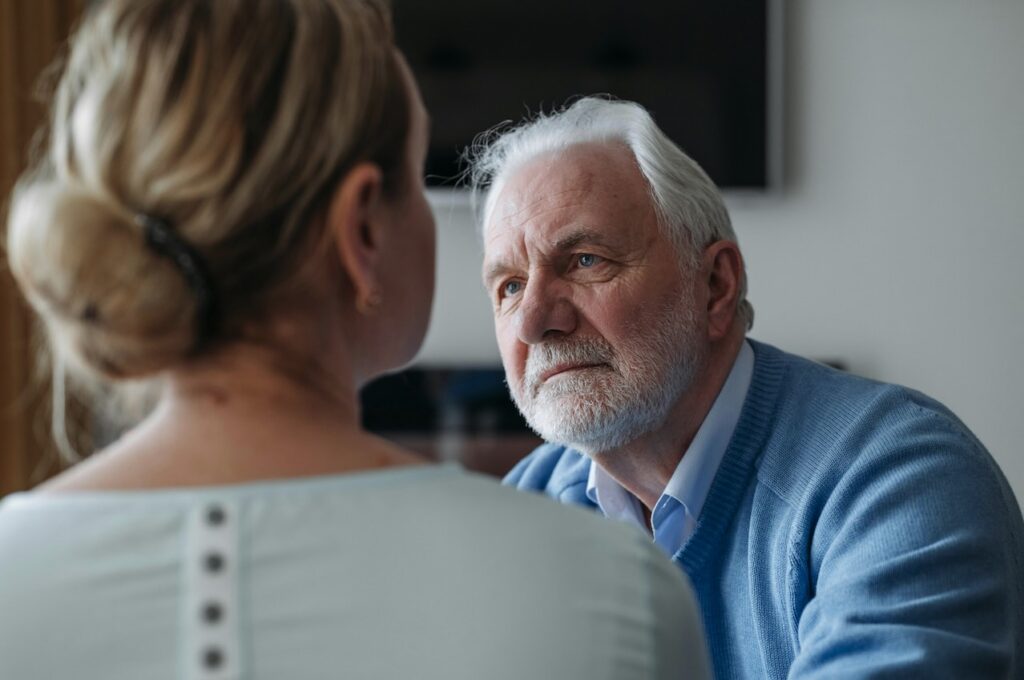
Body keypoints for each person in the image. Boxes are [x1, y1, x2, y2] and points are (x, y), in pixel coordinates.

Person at [0, 5, 712, 679]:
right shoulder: (613, 595)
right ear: (363, 231)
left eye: (586, 261)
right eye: (418, 168)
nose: (531, 316)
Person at [468, 96, 1024, 678]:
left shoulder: (901, 482)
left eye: (585, 260)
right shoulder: (524, 509)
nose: (533, 321)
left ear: (715, 285)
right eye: (508, 287)